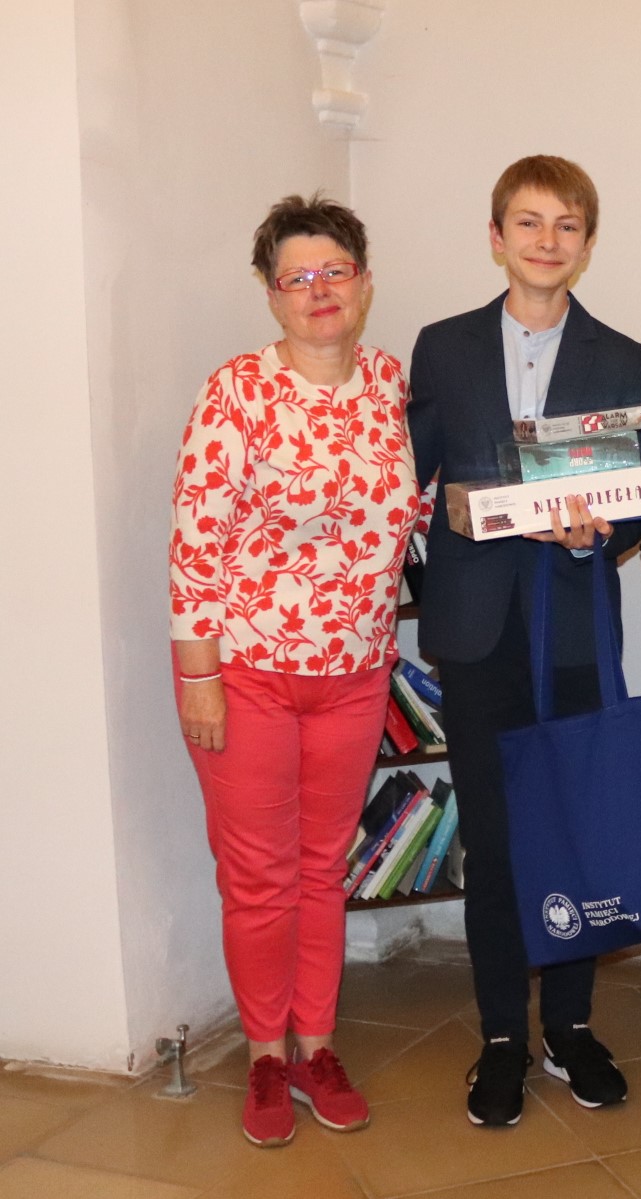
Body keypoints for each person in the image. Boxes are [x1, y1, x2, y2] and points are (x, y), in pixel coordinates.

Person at [407, 155, 641, 1127]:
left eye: (566, 225)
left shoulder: (622, 355)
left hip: (574, 629)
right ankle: (504, 1034)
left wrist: (602, 532)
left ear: (586, 244)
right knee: (498, 840)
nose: (547, 241)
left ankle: (573, 1028)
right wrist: (448, 516)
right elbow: (412, 479)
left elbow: (635, 501)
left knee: (576, 829)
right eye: (528, 222)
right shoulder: (442, 346)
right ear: (495, 236)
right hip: (478, 631)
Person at [168, 194, 414, 1146]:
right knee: (260, 876)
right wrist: (198, 676)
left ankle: (317, 1046)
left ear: (364, 282)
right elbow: (196, 542)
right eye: (296, 277)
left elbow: (410, 510)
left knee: (322, 868)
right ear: (271, 295)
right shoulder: (237, 391)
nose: (318, 290)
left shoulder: (387, 384)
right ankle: (267, 1057)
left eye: (334, 271)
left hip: (355, 671)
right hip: (248, 673)